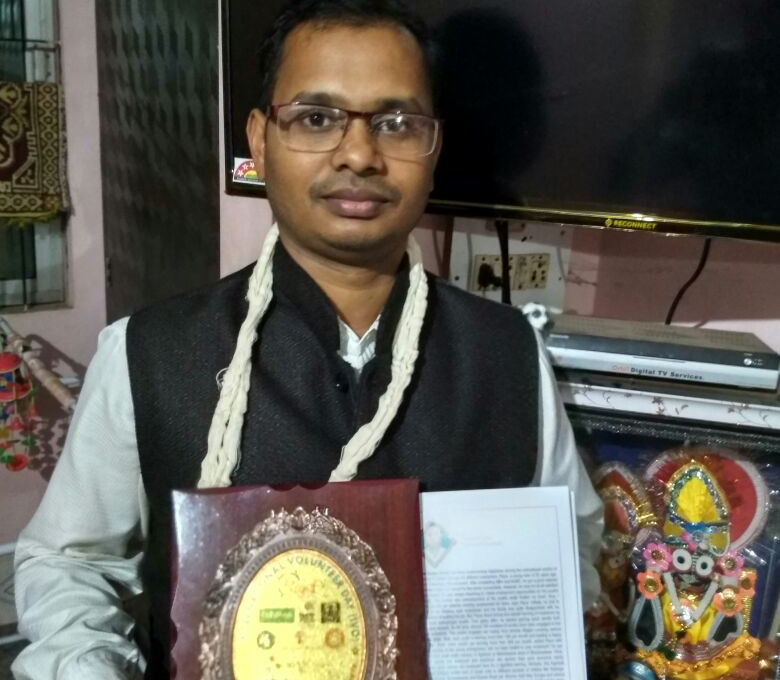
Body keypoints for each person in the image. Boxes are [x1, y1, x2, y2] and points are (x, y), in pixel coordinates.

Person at [12, 0, 603, 678]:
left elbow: (571, 543)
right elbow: (69, 560)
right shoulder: (149, 354)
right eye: (317, 118)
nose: (359, 155)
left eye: (396, 123)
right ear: (260, 140)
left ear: (433, 147)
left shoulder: (507, 355)